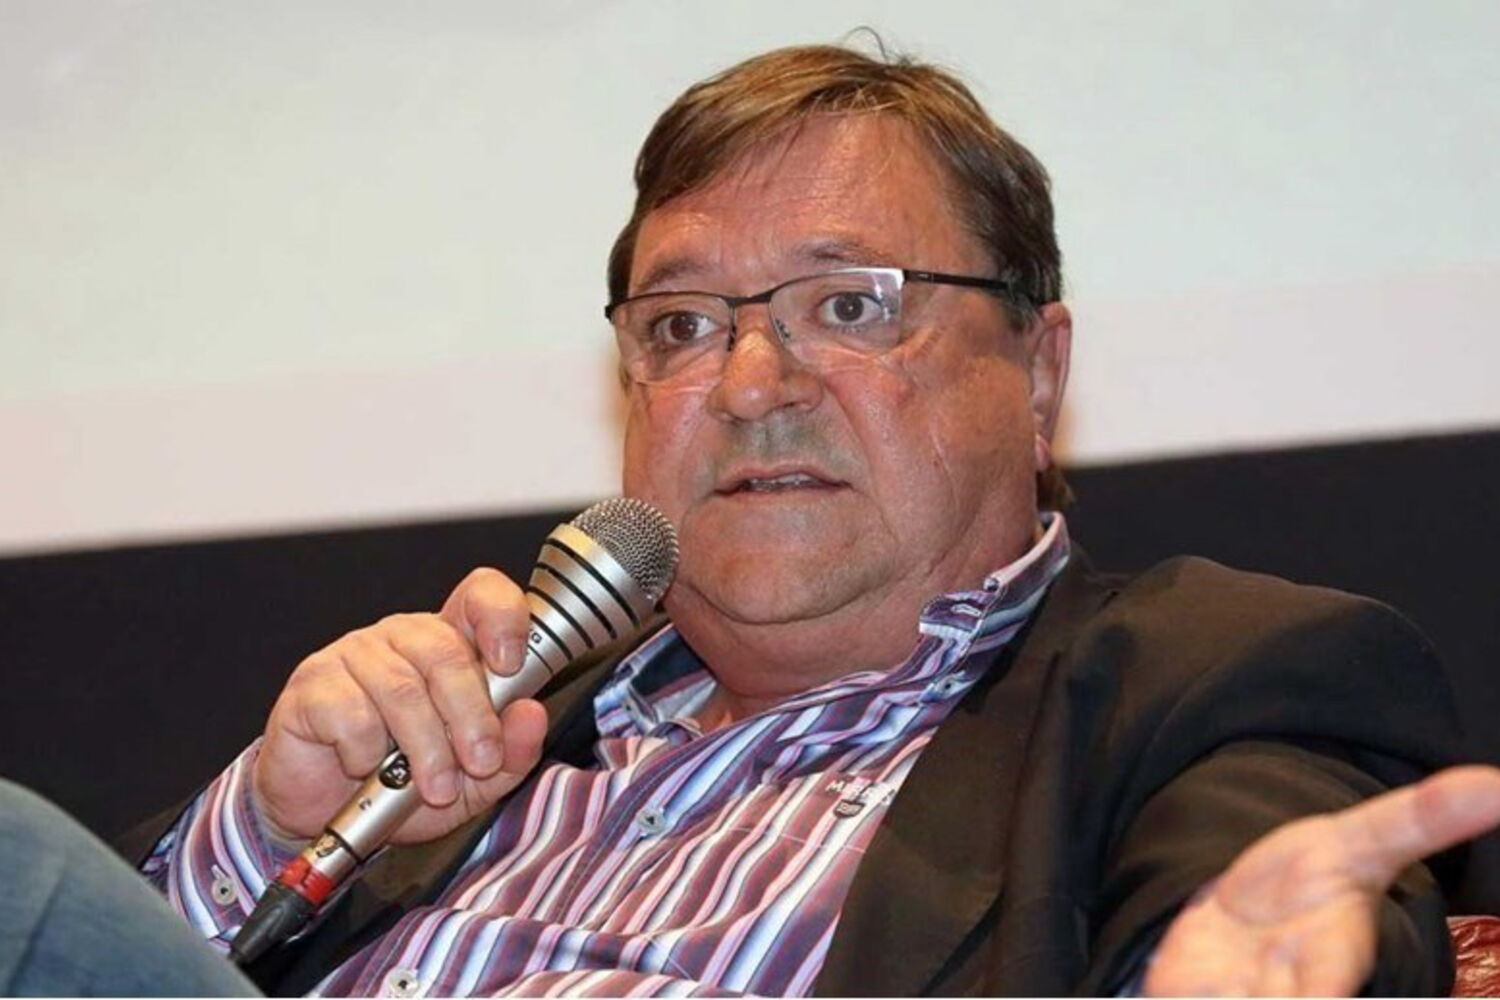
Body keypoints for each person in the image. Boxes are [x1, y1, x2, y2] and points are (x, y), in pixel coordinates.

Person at [94, 41, 1500, 996]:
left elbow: (1260, 921)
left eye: (849, 306)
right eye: (683, 324)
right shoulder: (478, 737)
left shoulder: (1213, 682)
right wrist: (264, 831)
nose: (752, 383)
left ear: (1038, 372)